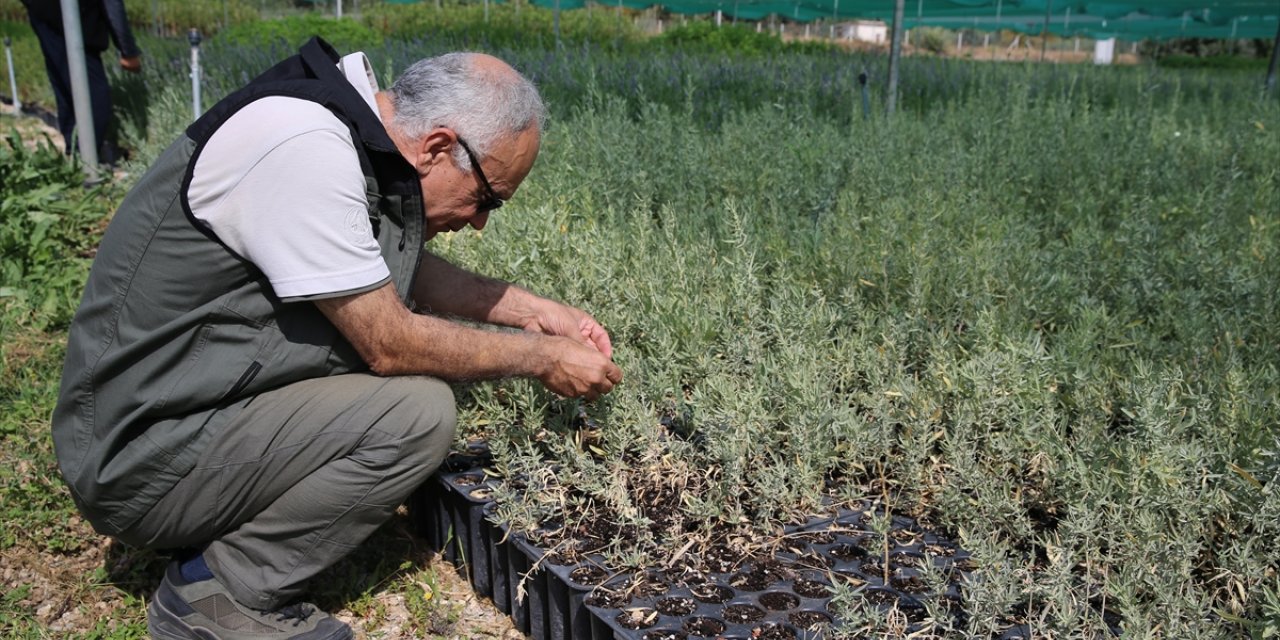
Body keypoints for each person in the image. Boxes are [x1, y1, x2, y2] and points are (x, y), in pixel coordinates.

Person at [52, 37, 622, 640]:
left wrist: (536, 314)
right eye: (487, 198)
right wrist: (540, 358)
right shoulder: (304, 149)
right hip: (138, 460)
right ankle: (221, 593)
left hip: (174, 416)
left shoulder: (344, 135)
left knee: (393, 393)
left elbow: (392, 265)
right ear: (438, 147)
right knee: (415, 414)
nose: (479, 221)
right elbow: (390, 343)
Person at [21, 0, 141, 163]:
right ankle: (84, 161)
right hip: (73, 19)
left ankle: (75, 155)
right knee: (96, 96)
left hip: (45, 14)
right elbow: (112, 4)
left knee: (65, 85)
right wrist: (128, 51)